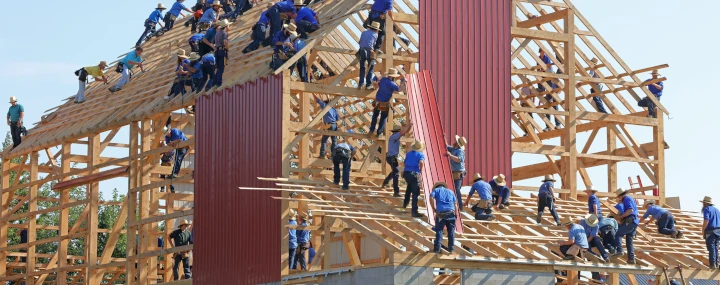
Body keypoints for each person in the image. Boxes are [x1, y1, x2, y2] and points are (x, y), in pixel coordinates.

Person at [368, 68, 403, 136]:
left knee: (375, 115)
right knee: (383, 118)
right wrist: (403, 84)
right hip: (384, 103)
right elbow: (399, 89)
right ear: (393, 76)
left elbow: (377, 85)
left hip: (377, 101)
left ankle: (371, 130)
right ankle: (379, 132)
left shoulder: (383, 80)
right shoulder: (392, 84)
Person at [382, 122, 412, 197]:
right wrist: (408, 124)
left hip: (391, 157)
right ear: (397, 132)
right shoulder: (394, 137)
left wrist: (409, 126)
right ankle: (396, 191)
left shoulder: (394, 137)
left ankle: (386, 182)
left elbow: (404, 132)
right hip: (392, 157)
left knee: (395, 171)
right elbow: (402, 132)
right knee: (396, 173)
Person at [613, 188, 639, 264]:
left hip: (630, 220)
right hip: (634, 221)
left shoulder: (626, 198)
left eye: (618, 197)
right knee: (629, 240)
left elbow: (630, 210)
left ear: (621, 195)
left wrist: (621, 217)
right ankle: (631, 258)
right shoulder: (630, 198)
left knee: (618, 234)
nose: (618, 198)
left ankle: (620, 251)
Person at [430, 182, 457, 254]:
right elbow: (455, 204)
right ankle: (451, 249)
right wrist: (456, 215)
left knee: (439, 231)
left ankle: (437, 249)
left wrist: (433, 208)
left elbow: (431, 197)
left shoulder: (436, 190)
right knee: (451, 231)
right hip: (451, 213)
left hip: (441, 213)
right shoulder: (451, 192)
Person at [537, 48, 560, 131]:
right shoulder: (539, 58)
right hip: (546, 81)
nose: (542, 52)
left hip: (551, 86)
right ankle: (548, 126)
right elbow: (538, 68)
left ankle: (557, 124)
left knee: (554, 105)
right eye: (542, 51)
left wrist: (542, 70)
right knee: (547, 106)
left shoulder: (546, 58)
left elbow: (548, 67)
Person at [403, 140, 425, 218]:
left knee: (409, 187)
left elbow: (404, 162)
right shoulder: (420, 154)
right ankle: (414, 212)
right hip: (414, 173)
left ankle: (405, 204)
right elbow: (421, 162)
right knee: (415, 193)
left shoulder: (409, 153)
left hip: (406, 173)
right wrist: (420, 171)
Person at [314, 94, 339, 158]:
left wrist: (313, 93)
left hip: (328, 125)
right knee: (334, 141)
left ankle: (322, 154)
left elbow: (318, 100)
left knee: (324, 140)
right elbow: (337, 119)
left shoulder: (325, 106)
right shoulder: (334, 109)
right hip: (334, 125)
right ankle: (334, 155)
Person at [445, 135, 467, 210]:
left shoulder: (460, 151)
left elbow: (459, 160)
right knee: (454, 189)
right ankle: (457, 205)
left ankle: (460, 206)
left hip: (458, 172)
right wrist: (444, 138)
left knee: (456, 190)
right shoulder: (455, 149)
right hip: (455, 172)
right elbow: (446, 146)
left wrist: (450, 155)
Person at [357, 22, 380, 90]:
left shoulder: (363, 32)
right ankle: (368, 85)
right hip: (369, 51)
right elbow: (373, 44)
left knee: (362, 68)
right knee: (370, 68)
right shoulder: (375, 34)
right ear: (376, 29)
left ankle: (361, 84)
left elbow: (359, 42)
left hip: (361, 50)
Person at [209, 19, 230, 90]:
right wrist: (227, 48)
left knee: (218, 68)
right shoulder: (224, 33)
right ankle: (219, 82)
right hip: (222, 51)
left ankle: (214, 83)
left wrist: (215, 48)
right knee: (221, 67)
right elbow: (225, 41)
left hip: (217, 51)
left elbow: (211, 43)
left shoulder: (217, 33)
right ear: (226, 26)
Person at [702, 196, 720, 269]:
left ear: (705, 203)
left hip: (711, 231)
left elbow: (706, 220)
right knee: (716, 247)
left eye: (703, 203)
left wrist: (703, 230)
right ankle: (716, 263)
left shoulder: (707, 209)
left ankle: (712, 264)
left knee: (711, 247)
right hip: (718, 231)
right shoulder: (717, 210)